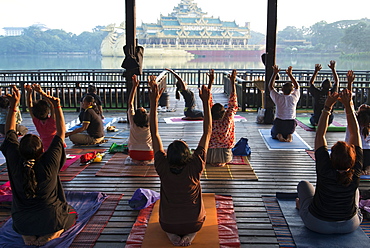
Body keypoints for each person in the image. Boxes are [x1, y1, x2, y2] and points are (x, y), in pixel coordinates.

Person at [0, 85, 77, 246]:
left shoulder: (14, 161)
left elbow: (9, 134)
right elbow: (61, 134)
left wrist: (13, 106)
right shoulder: (49, 162)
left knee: (29, 223)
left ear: (19, 150)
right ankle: (48, 236)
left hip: (22, 223)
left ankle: (29, 237)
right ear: (42, 150)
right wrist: (57, 105)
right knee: (71, 214)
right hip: (50, 220)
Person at [296, 71, 363, 234]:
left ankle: (301, 205)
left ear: (331, 157)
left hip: (317, 223)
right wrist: (349, 106)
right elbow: (355, 134)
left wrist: (327, 107)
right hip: (349, 225)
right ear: (352, 158)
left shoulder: (325, 168)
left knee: (304, 186)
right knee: (356, 191)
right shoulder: (356, 170)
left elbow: (320, 134)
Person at [149, 75, 212, 246]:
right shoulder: (195, 165)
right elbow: (207, 132)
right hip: (194, 222)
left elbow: (154, 133)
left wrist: (153, 102)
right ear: (188, 154)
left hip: (167, 223)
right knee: (200, 217)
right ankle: (190, 235)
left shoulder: (162, 166)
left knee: (169, 225)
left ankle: (172, 235)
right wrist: (206, 102)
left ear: (168, 155)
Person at [207, 69, 238, 167]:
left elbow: (207, 102)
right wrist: (232, 82)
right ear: (223, 113)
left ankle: (213, 161)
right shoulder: (227, 120)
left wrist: (210, 83)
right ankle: (222, 162)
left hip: (209, 156)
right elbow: (233, 103)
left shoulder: (209, 120)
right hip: (226, 156)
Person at [268, 65, 300, 142]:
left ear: (282, 89)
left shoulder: (278, 97)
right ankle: (289, 135)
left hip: (280, 123)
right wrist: (290, 74)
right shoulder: (294, 97)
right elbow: (297, 86)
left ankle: (279, 135)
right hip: (291, 124)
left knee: (273, 133)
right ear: (292, 91)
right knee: (289, 131)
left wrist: (274, 73)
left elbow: (270, 87)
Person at [127, 74, 153, 165]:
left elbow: (130, 103)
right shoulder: (150, 121)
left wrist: (134, 87)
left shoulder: (133, 122)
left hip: (134, 154)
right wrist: (152, 87)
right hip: (149, 154)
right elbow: (153, 105)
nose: (142, 107)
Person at [25, 83, 58, 150]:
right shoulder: (52, 121)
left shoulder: (36, 121)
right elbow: (52, 105)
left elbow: (29, 105)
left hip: (44, 147)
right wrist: (41, 92)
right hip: (57, 146)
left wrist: (29, 93)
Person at [309, 61, 339, 126]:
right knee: (330, 116)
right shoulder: (332, 93)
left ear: (322, 86)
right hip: (329, 116)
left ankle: (316, 123)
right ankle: (326, 123)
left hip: (317, 117)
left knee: (312, 118)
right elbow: (336, 82)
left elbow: (311, 83)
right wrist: (333, 69)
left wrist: (316, 71)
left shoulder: (317, 93)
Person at [345, 104, 370, 174]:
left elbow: (349, 109)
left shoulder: (353, 122)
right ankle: (367, 168)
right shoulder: (368, 124)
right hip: (368, 153)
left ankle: (361, 168)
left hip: (354, 152)